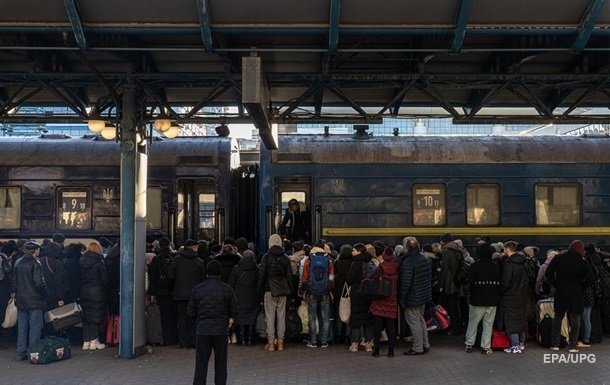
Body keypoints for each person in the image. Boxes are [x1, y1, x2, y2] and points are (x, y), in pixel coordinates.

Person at [188, 260, 238, 385]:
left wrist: (199, 320)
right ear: (220, 273)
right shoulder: (227, 289)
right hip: (221, 330)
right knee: (221, 362)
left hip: (203, 329)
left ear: (206, 272)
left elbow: (190, 312)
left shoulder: (197, 289)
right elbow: (234, 311)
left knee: (201, 363)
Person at [545, 240, 595, 353]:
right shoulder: (583, 262)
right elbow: (591, 280)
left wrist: (556, 284)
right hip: (576, 293)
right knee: (575, 319)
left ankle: (555, 344)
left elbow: (548, 273)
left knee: (558, 317)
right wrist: (581, 287)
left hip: (561, 292)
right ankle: (572, 345)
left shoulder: (558, 258)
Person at [11, 241, 47, 360]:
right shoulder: (36, 263)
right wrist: (45, 294)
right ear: (35, 251)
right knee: (35, 328)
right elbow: (39, 283)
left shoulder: (18, 262)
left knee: (22, 327)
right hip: (35, 299)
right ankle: (33, 352)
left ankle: (20, 352)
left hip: (21, 299)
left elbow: (14, 281)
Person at [257, 234, 293, 352]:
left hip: (269, 290)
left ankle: (271, 343)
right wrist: (290, 292)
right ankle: (281, 342)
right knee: (281, 317)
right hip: (283, 290)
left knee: (270, 317)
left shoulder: (266, 257)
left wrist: (259, 291)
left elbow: (262, 275)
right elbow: (289, 277)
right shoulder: (286, 258)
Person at [169, 239, 207, 349]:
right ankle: (194, 341)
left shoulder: (177, 259)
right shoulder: (199, 261)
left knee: (182, 319)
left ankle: (183, 343)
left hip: (180, 294)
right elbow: (202, 279)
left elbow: (171, 276)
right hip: (194, 295)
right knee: (194, 318)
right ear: (193, 248)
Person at [464, 243, 501, 354]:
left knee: (473, 323)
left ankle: (469, 344)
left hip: (477, 299)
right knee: (488, 324)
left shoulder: (475, 266)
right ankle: (486, 346)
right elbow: (499, 283)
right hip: (492, 299)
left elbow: (470, 283)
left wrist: (472, 293)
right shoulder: (495, 266)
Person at [398, 238, 431, 356]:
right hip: (424, 295)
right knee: (421, 320)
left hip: (413, 297)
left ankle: (417, 348)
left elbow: (406, 282)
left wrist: (402, 298)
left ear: (406, 248)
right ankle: (425, 344)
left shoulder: (408, 262)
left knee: (414, 322)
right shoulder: (425, 258)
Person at [301, 241, 335, 348]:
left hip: (311, 292)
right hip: (325, 291)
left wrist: (304, 289)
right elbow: (332, 277)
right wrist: (330, 288)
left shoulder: (309, 260)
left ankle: (313, 341)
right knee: (325, 317)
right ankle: (324, 341)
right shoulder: (329, 260)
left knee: (312, 317)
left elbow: (304, 277)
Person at [499, 240, 528, 354]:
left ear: (507, 249)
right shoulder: (523, 262)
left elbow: (506, 282)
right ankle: (521, 343)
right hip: (521, 295)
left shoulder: (509, 264)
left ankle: (515, 345)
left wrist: (500, 292)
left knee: (512, 321)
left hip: (510, 297)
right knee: (520, 320)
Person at [148, 237, 178, 346]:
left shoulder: (156, 259)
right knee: (175, 315)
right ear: (170, 244)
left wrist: (152, 293)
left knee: (164, 316)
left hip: (161, 291)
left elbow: (153, 277)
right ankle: (176, 338)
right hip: (175, 290)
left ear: (159, 246)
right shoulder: (176, 257)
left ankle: (167, 339)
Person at [346, 243, 375, 352]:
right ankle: (368, 344)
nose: (352, 252)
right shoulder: (370, 261)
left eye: (354, 250)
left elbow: (349, 278)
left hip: (357, 293)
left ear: (359, 251)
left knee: (356, 319)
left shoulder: (355, 263)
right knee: (368, 320)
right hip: (369, 293)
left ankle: (354, 344)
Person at [370, 247, 399, 357]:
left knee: (378, 325)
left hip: (380, 299)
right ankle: (391, 351)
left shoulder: (380, 267)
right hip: (392, 299)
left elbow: (373, 279)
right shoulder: (398, 267)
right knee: (391, 325)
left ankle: (376, 350)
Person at [79, 241, 108, 350]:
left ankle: (86, 341)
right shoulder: (99, 262)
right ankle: (94, 341)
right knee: (95, 316)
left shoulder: (81, 261)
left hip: (84, 291)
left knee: (86, 317)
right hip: (97, 292)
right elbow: (104, 279)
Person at [228, 250, 260, 346]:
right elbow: (259, 283)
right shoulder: (257, 269)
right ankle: (250, 339)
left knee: (240, 316)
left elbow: (231, 284)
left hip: (239, 296)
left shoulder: (236, 269)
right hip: (252, 295)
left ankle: (241, 339)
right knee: (252, 316)